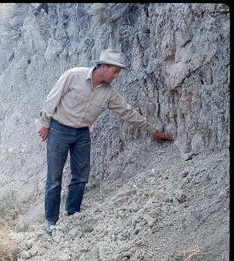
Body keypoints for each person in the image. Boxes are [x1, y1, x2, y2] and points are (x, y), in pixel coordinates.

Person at [38, 49, 173, 235]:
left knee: (80, 176)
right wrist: (46, 124)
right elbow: (51, 100)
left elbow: (128, 112)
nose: (116, 76)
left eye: (118, 73)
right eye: (114, 71)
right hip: (59, 129)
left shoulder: (109, 94)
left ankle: (73, 214)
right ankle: (51, 222)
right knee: (54, 178)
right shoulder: (73, 75)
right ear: (102, 66)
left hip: (82, 134)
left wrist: (154, 131)